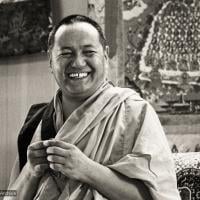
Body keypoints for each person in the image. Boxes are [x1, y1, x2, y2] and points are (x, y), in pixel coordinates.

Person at [5, 14, 181, 200]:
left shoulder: (134, 113)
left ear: (105, 56)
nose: (78, 63)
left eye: (89, 52)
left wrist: (86, 169)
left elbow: (159, 196)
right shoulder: (36, 122)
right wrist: (30, 172)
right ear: (50, 60)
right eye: (66, 53)